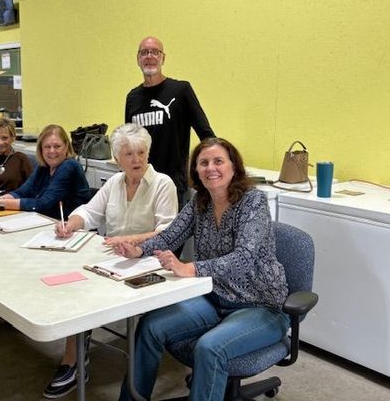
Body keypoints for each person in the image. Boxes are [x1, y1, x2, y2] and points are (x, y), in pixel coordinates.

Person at [116, 137, 289, 401]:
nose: (211, 168)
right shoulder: (200, 201)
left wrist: (190, 268)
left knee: (210, 348)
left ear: (234, 166)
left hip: (260, 306)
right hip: (213, 298)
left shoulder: (253, 201)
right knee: (150, 326)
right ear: (196, 170)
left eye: (218, 161)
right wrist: (139, 249)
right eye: (203, 163)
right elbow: (170, 235)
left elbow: (244, 258)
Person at [44, 123, 178, 399]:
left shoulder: (163, 184)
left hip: (150, 262)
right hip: (115, 259)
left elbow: (169, 233)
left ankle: (76, 359)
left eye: (141, 152)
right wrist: (71, 224)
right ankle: (75, 359)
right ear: (117, 159)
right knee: (72, 283)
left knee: (86, 290)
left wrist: (131, 239)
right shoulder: (115, 183)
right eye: (128, 154)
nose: (136, 159)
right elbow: (90, 213)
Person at [125, 36, 215, 205]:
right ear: (138, 59)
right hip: (140, 184)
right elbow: (129, 142)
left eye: (155, 52)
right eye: (144, 53)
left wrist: (218, 166)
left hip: (173, 186)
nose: (149, 56)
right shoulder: (132, 98)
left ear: (163, 58)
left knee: (170, 232)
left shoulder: (181, 90)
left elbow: (206, 134)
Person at [0, 124, 89, 219]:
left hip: (72, 228)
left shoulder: (70, 166)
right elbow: (22, 192)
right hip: (48, 222)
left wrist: (0, 203)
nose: (52, 151)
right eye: (47, 147)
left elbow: (44, 204)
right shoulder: (44, 166)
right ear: (41, 148)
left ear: (66, 146)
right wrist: (1, 199)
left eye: (57, 146)